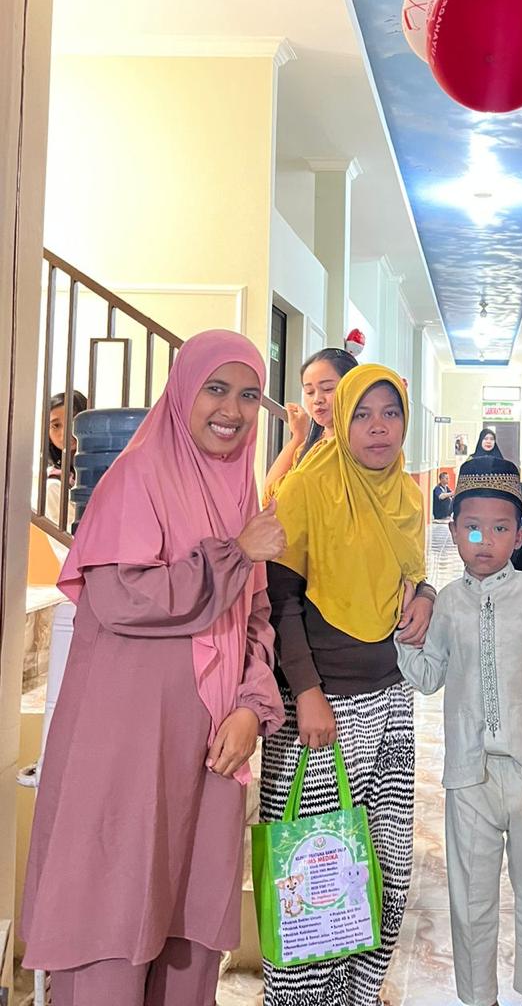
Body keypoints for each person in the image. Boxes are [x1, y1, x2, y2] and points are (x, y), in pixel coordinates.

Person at [21, 331, 287, 1006]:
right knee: (110, 915)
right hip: (128, 745)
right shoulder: (135, 478)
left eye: (249, 394)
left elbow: (255, 618)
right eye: (216, 389)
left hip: (209, 751)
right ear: (182, 391)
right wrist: (233, 553)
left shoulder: (240, 491)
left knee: (187, 930)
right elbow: (120, 598)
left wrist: (251, 708)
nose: (232, 409)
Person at [261, 363, 436, 1006]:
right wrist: (306, 691)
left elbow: (412, 573)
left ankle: (359, 995)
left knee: (384, 868)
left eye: (390, 414)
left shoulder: (408, 497)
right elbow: (279, 599)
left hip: (389, 701)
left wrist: (427, 594)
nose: (378, 428)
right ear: (342, 418)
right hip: (318, 709)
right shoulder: (307, 486)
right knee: (313, 875)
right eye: (362, 414)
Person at [396, 456, 522, 1006]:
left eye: (500, 528)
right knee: (471, 899)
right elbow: (429, 676)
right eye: (473, 528)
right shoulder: (446, 603)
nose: (485, 541)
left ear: (520, 534)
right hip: (468, 778)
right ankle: (478, 996)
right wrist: (402, 634)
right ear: (454, 530)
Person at [263, 347, 358, 499]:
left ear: (353, 388)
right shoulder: (311, 446)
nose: (317, 399)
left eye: (327, 388)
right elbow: (270, 496)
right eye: (309, 392)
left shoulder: (361, 449)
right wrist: (298, 436)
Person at [43, 388, 88, 526]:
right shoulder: (54, 485)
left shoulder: (109, 465)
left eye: (74, 421)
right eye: (56, 425)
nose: (66, 431)